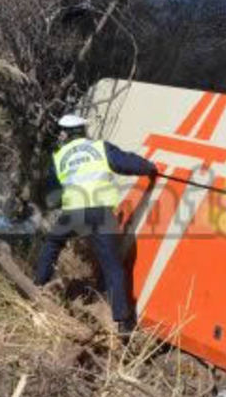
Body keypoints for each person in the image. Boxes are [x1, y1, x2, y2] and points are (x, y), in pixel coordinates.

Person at [33, 113, 158, 335]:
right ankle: (123, 321)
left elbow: (53, 193)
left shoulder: (59, 157)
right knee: (112, 265)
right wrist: (149, 167)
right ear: (83, 131)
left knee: (52, 244)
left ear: (64, 134)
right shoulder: (100, 147)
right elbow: (126, 162)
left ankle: (38, 286)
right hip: (101, 213)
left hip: (73, 213)